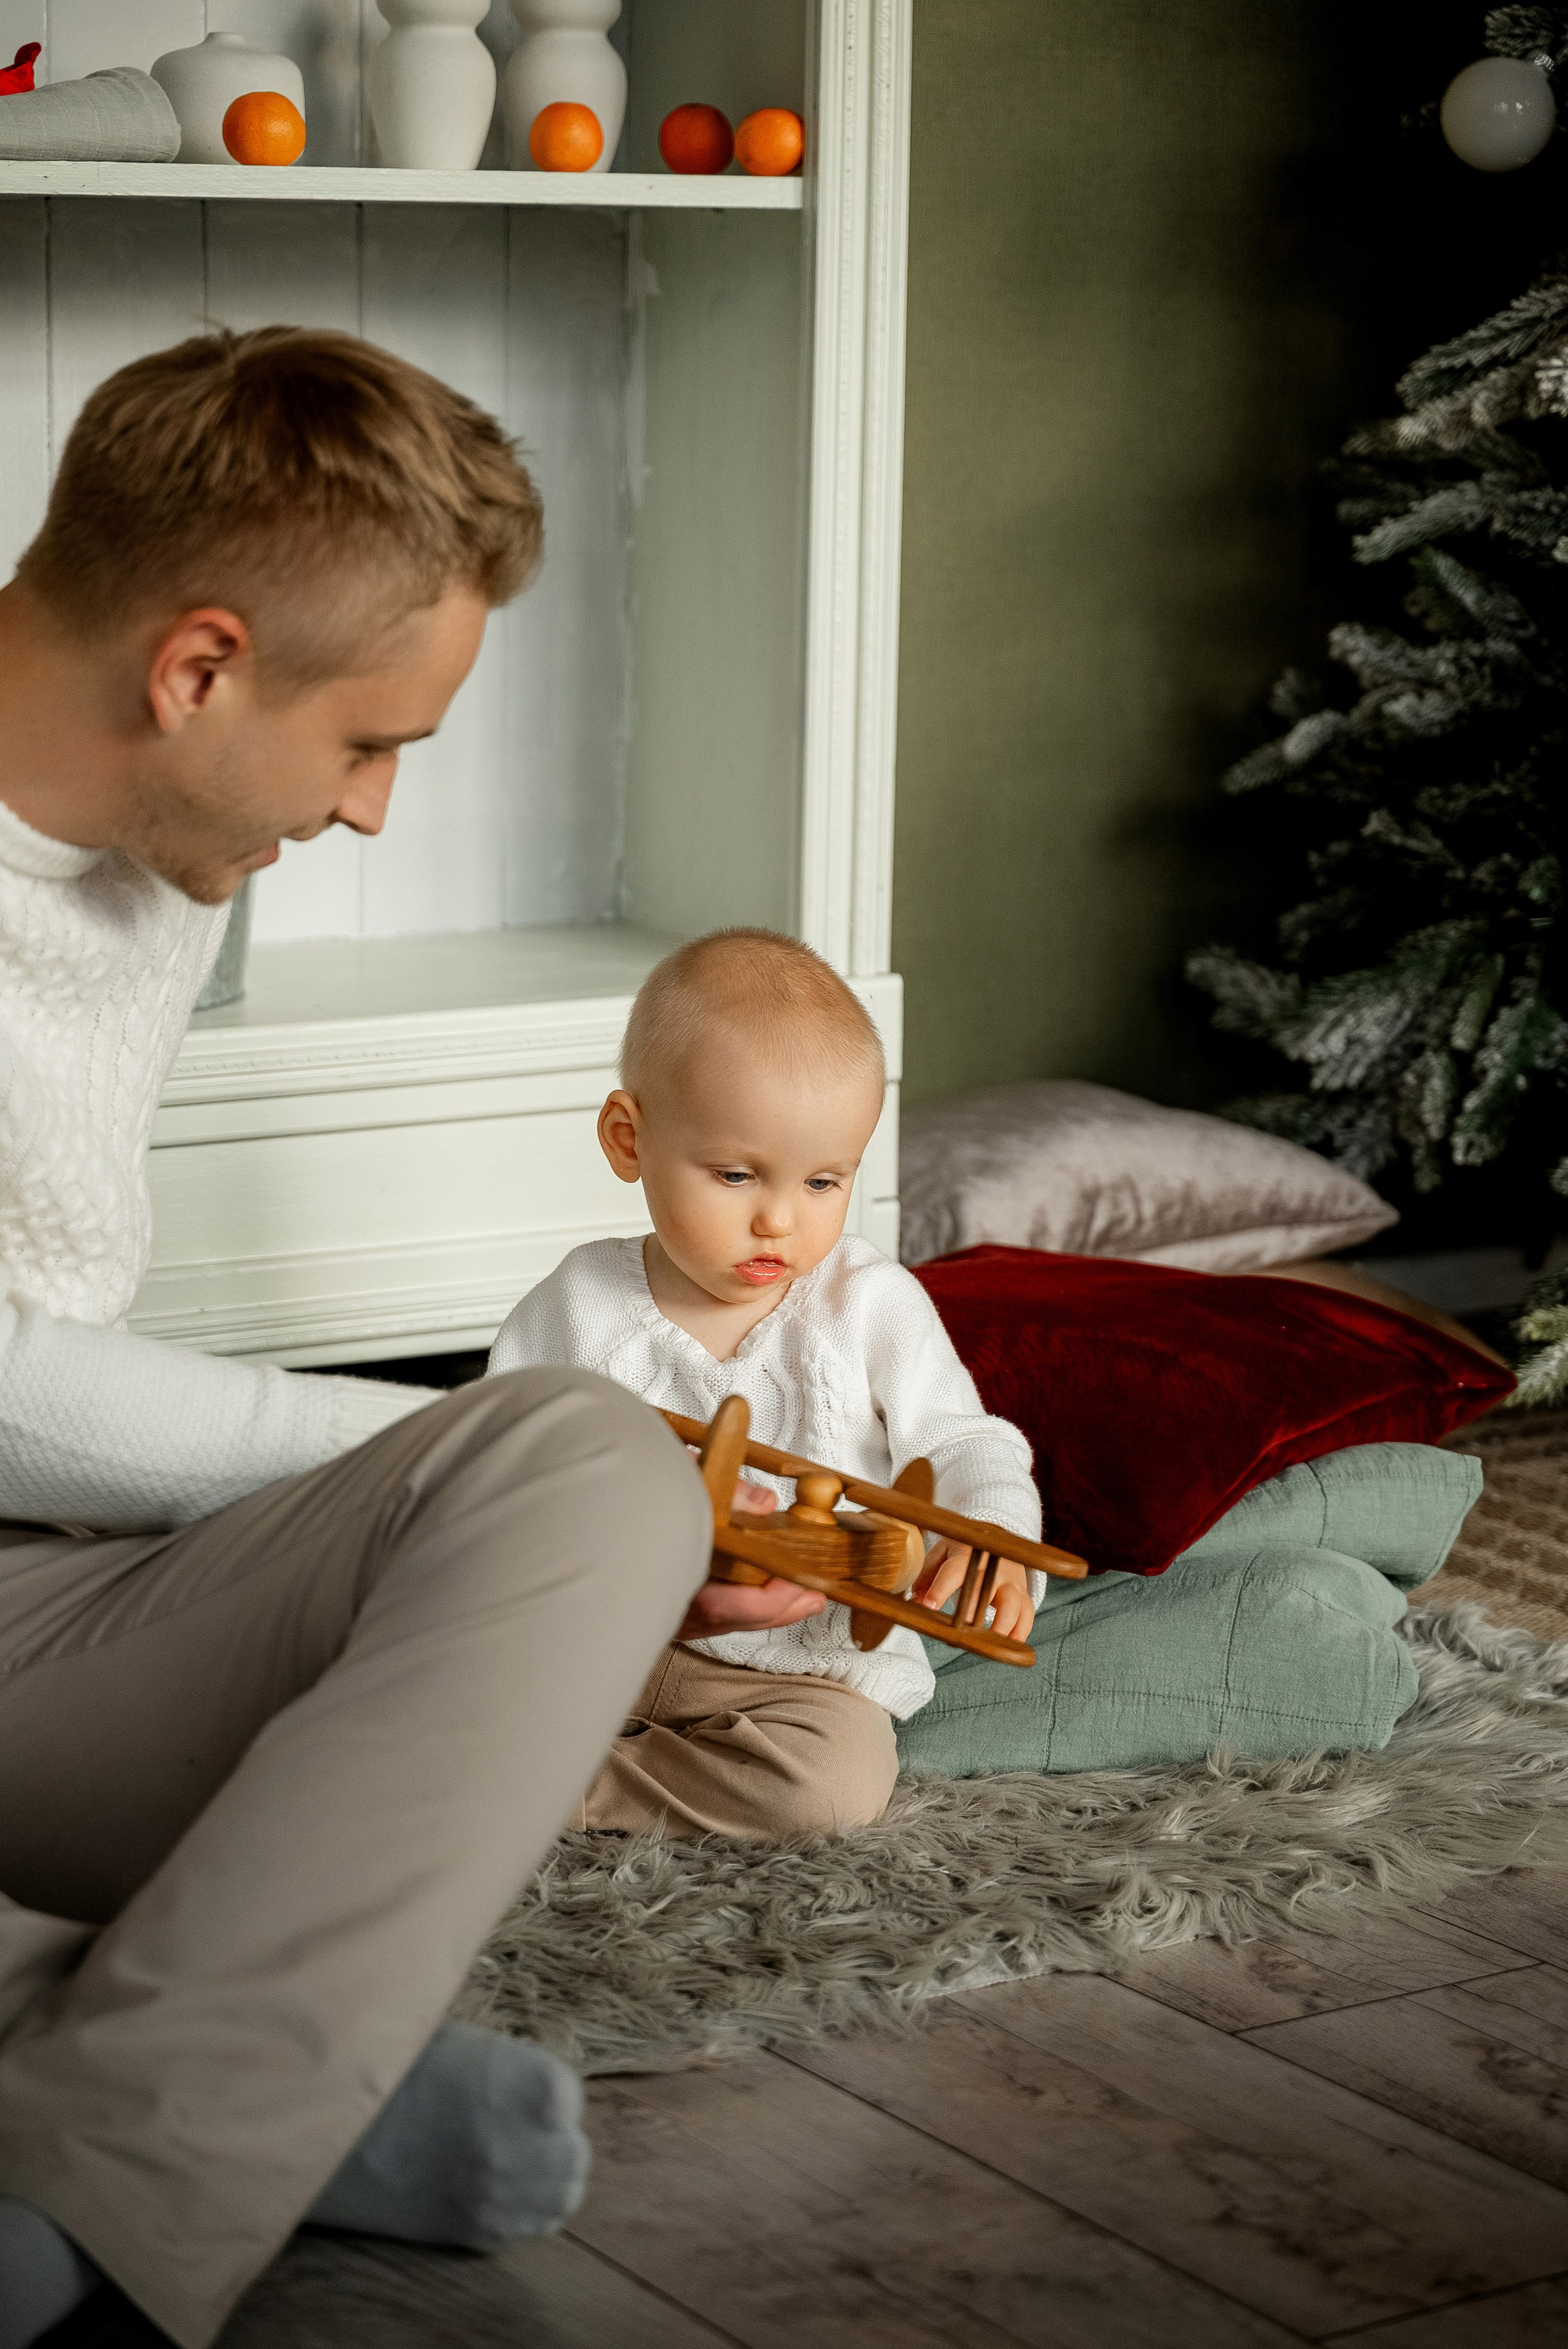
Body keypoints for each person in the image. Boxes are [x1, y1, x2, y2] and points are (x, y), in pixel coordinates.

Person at [0, 328, 820, 2349]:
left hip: (52, 1626)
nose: (371, 810)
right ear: (197, 668)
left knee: (589, 1469)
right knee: (535, 1444)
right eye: (371, 746)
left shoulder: (167, 850)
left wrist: (541, 1494)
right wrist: (377, 1462)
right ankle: (147, 2154)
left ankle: (156, 2090)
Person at [487, 928, 1044, 1837]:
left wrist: (998, 1532)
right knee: (426, 1670)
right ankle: (506, 1755)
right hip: (603, 1649)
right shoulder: (577, 1304)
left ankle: (575, 1793)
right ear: (630, 1139)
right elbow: (502, 1473)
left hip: (798, 1672)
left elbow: (964, 1443)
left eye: (825, 1181)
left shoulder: (867, 1303)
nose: (779, 1219)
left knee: (830, 1787)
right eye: (735, 1174)